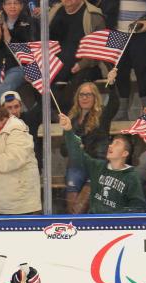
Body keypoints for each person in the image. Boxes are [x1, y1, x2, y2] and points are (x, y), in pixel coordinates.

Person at [60, 68, 120, 214]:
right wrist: (73, 146)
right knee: (72, 200)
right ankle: (74, 225)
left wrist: (112, 84)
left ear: (95, 97)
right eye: (82, 94)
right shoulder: (71, 119)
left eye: (88, 95)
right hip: (77, 165)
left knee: (80, 205)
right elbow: (63, 148)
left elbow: (115, 103)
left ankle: (75, 226)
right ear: (77, 97)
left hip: (97, 164)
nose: (84, 98)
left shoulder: (103, 114)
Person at [60, 113, 146, 213]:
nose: (110, 146)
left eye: (116, 143)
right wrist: (68, 130)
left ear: (125, 153)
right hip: (95, 223)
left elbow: (137, 207)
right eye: (111, 143)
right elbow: (77, 155)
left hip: (116, 225)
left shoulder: (132, 176)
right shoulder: (97, 166)